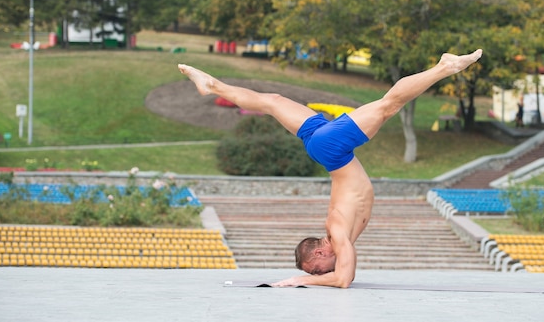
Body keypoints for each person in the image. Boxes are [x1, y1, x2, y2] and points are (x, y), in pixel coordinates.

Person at [178, 48, 483, 288]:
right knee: (271, 101)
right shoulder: (336, 231)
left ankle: (445, 67)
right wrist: (310, 278)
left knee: (388, 104)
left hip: (332, 149)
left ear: (320, 254)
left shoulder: (337, 233)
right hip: (323, 147)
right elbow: (341, 276)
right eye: (317, 273)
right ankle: (212, 84)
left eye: (318, 269)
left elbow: (343, 280)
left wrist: (301, 280)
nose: (325, 272)